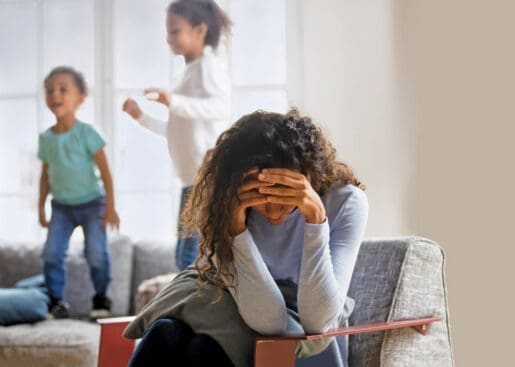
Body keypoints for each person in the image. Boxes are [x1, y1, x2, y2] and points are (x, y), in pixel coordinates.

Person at [123, 108, 369, 367]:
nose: (274, 212)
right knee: (166, 333)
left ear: (309, 174)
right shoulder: (224, 201)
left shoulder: (345, 201)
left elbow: (315, 322)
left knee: (203, 347)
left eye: (285, 194)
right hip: (228, 293)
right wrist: (235, 230)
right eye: (262, 198)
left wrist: (316, 220)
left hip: (298, 313)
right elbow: (266, 315)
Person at [122, 0, 232, 270]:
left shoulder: (208, 66)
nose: (168, 38)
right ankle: (186, 307)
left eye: (174, 31)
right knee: (183, 256)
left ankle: (188, 308)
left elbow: (220, 107)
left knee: (189, 257)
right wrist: (140, 116)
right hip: (191, 179)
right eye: (168, 31)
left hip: (207, 177)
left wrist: (172, 101)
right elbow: (175, 132)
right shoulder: (187, 74)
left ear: (199, 30)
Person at [38, 66, 120, 320]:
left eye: (63, 89)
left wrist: (110, 207)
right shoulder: (46, 139)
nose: (55, 94)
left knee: (96, 253)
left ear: (80, 98)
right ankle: (56, 302)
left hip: (92, 204)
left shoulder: (87, 133)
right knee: (51, 254)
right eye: (50, 90)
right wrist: (41, 207)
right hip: (61, 206)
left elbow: (105, 172)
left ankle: (101, 298)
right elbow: (45, 175)